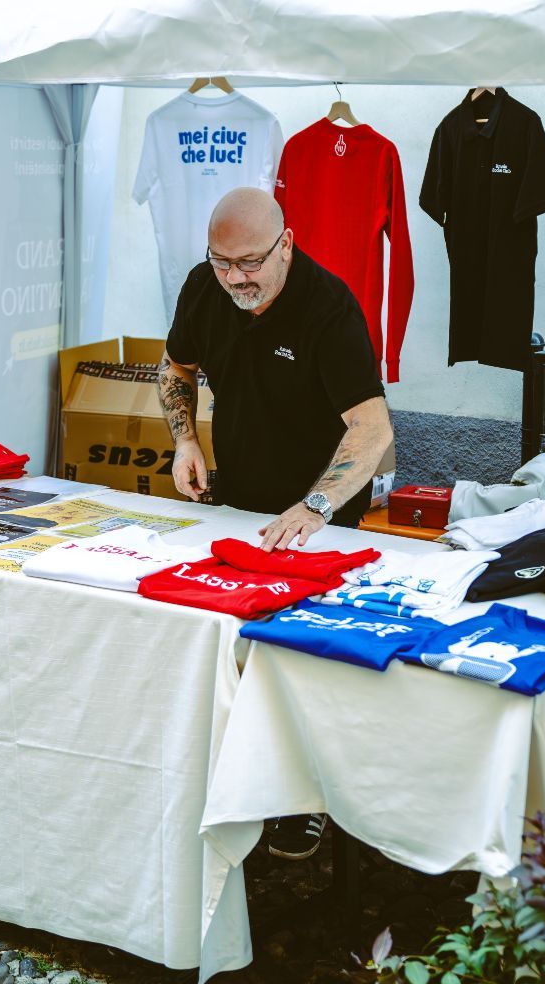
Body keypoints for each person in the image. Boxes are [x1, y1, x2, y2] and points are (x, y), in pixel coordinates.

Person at [158, 186, 393, 858]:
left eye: (252, 262)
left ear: (285, 245)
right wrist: (185, 441)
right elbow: (174, 370)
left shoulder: (329, 307)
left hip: (323, 519)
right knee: (231, 651)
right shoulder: (205, 287)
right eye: (223, 262)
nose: (237, 278)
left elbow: (371, 428)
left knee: (305, 665)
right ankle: (236, 783)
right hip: (235, 500)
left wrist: (315, 505)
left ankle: (312, 798)